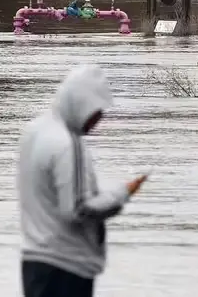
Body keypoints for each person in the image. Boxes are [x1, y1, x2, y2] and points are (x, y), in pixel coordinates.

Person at [17, 64, 148, 297]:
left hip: (34, 260)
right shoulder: (68, 143)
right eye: (96, 113)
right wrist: (122, 193)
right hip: (66, 265)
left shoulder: (33, 132)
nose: (98, 121)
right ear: (82, 105)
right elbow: (77, 209)